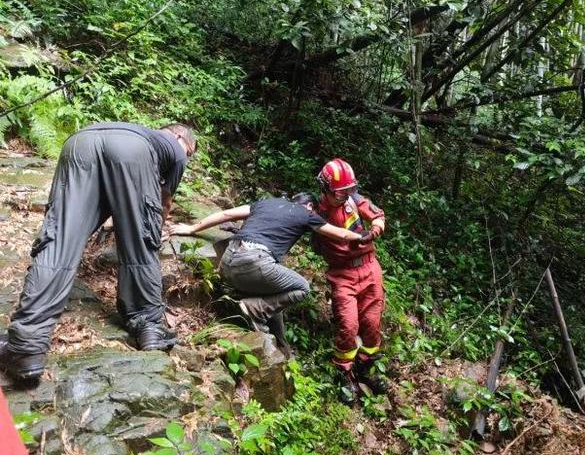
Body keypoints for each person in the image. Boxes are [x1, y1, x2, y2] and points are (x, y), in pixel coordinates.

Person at [0, 121, 196, 380]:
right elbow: (163, 200)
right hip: (132, 152)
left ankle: (26, 345)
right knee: (140, 246)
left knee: (59, 239)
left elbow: (109, 187)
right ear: (181, 136)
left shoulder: (140, 131)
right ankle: (149, 327)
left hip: (79, 142)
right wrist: (150, 230)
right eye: (191, 152)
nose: (188, 158)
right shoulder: (176, 149)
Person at [170, 193, 369, 357]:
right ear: (310, 206)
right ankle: (253, 309)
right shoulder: (306, 214)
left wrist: (192, 228)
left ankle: (282, 348)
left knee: (276, 295)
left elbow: (227, 214)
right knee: (302, 288)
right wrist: (363, 236)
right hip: (253, 263)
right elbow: (341, 234)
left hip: (228, 262)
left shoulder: (266, 203)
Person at [313, 158, 387, 403]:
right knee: (348, 324)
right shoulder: (316, 210)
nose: (345, 196)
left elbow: (377, 216)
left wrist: (374, 230)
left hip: (369, 268)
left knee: (372, 322)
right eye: (340, 192)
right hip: (342, 273)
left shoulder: (354, 200)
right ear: (325, 188)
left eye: (349, 191)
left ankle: (366, 367)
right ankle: (344, 372)